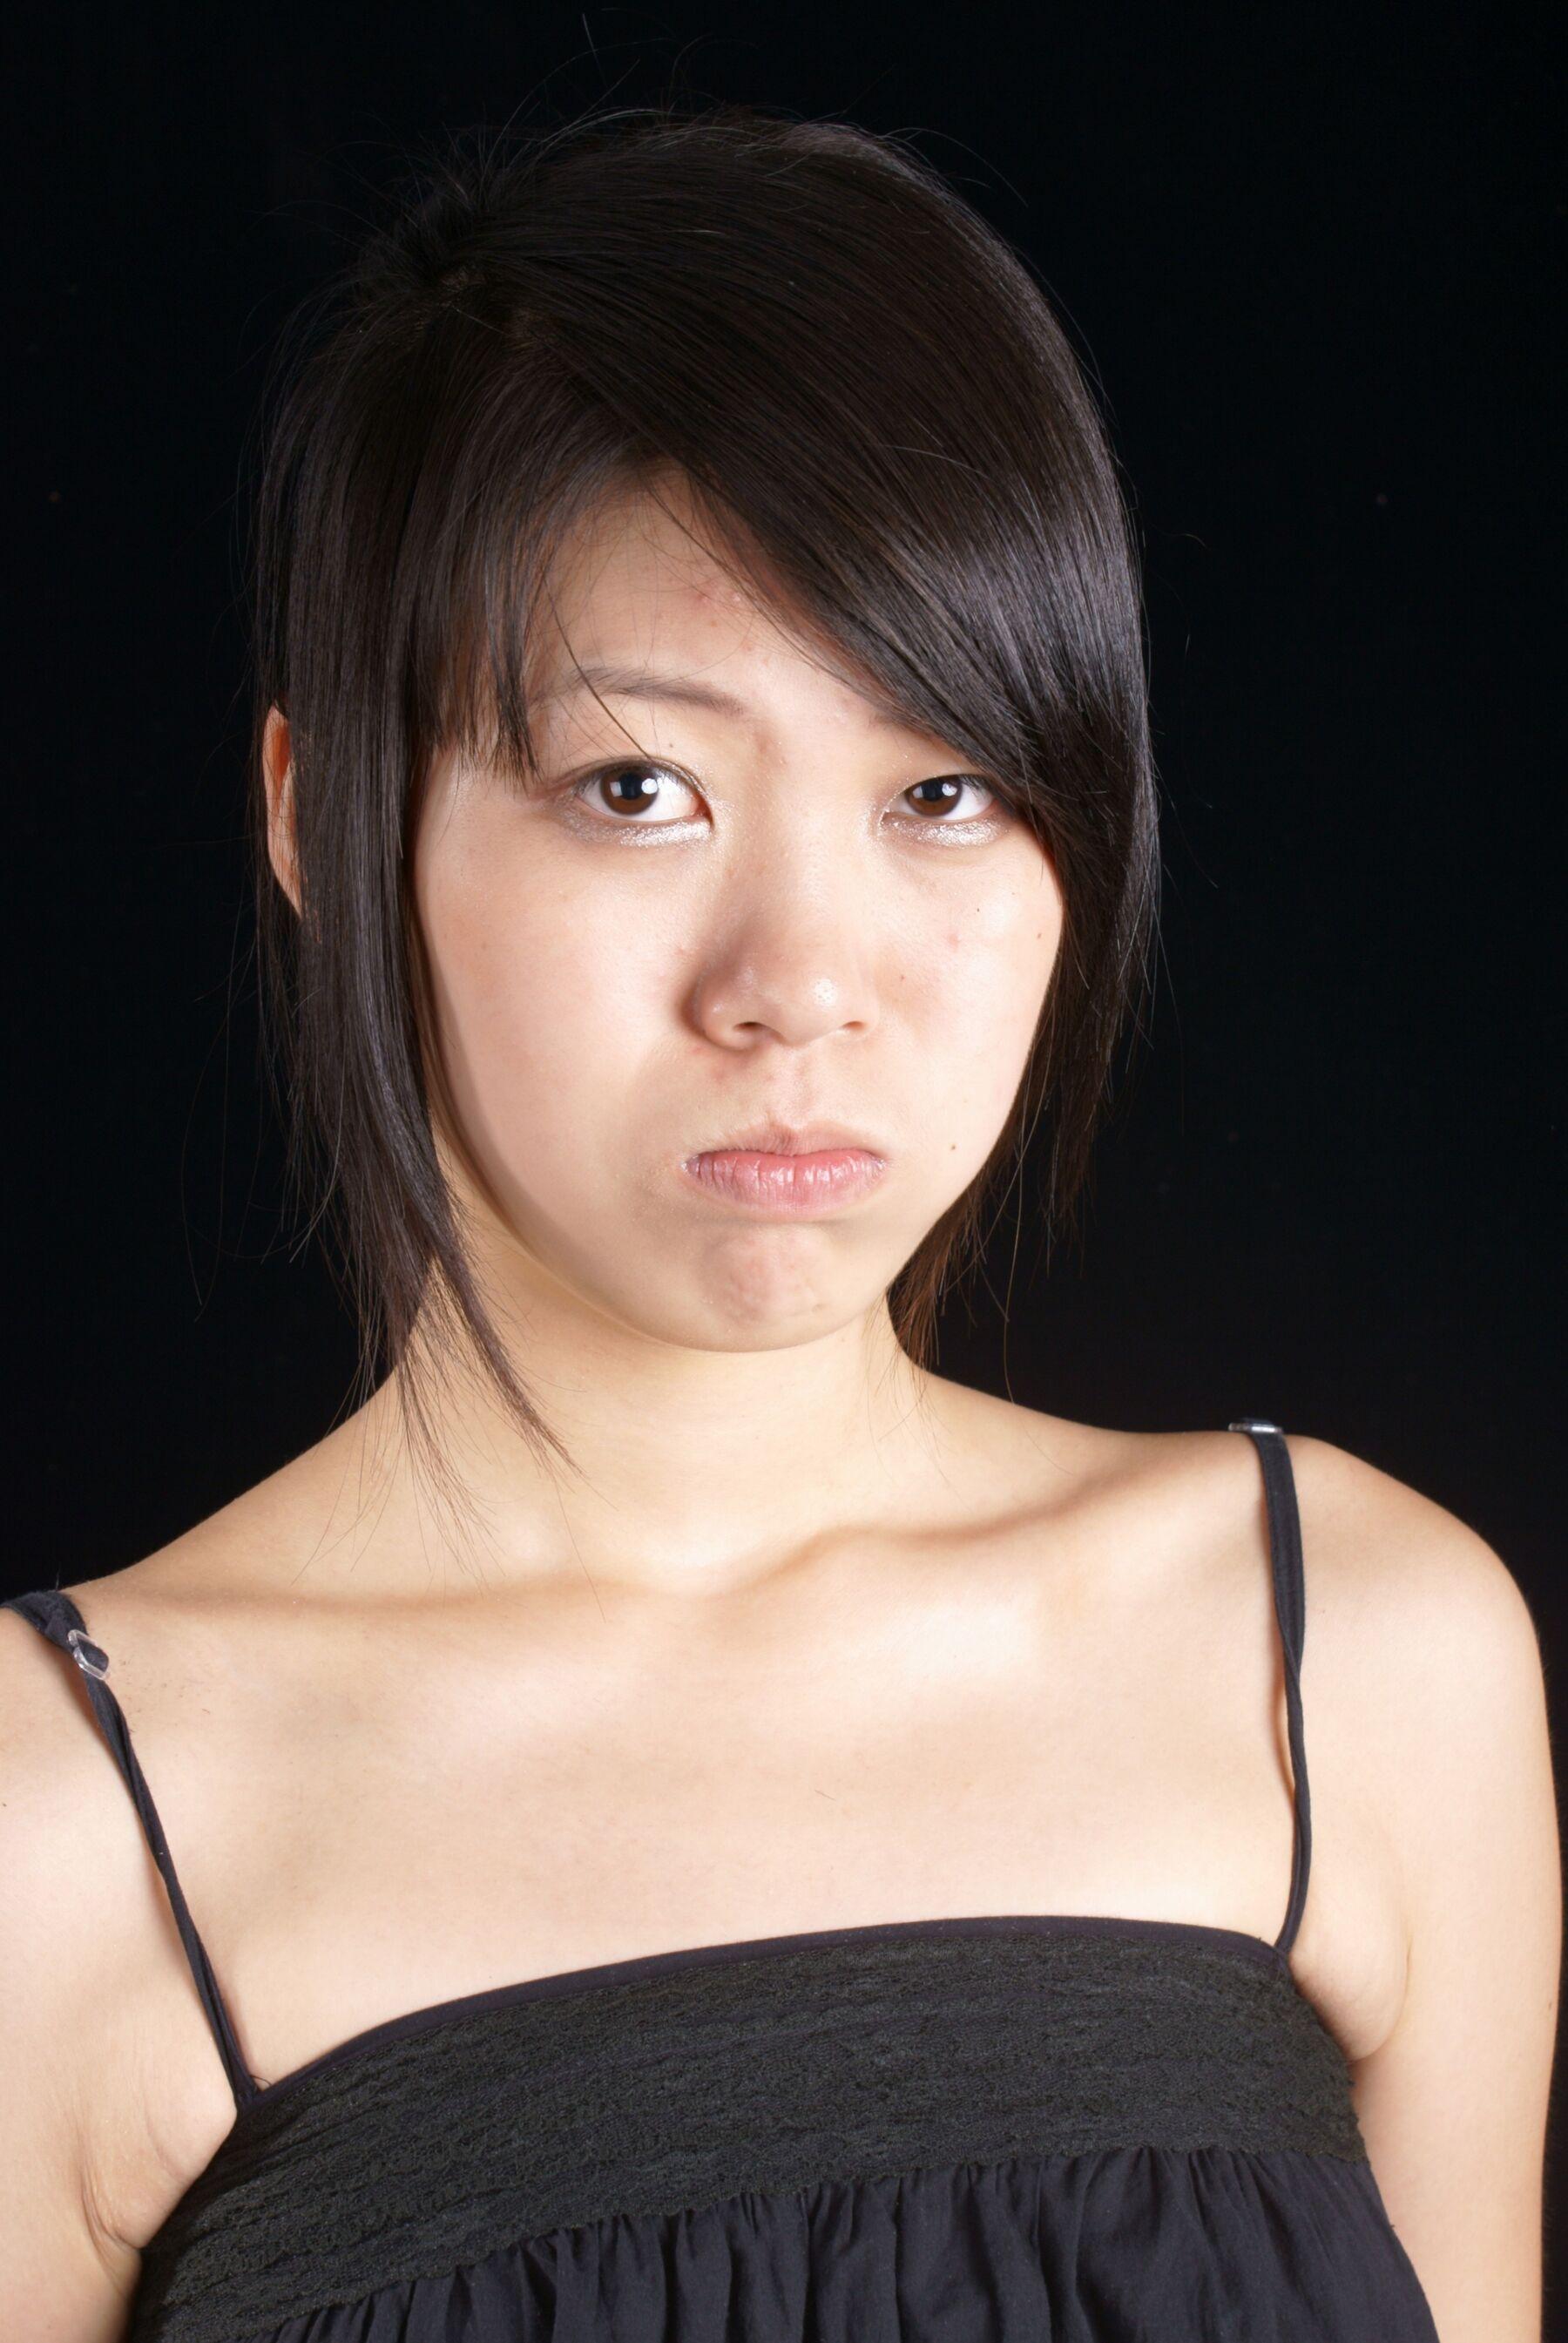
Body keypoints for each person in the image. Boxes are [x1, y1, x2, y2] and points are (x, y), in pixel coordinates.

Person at [2, 101, 1557, 2343]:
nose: (801, 981)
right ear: (324, 820)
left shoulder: (1354, 1662)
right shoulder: (70, 1824)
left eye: (944, 789)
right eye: (638, 787)